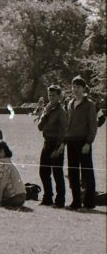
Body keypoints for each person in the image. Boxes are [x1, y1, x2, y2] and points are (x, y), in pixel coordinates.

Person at [63, 77, 98, 210]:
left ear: (84, 88)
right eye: (73, 87)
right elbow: (68, 124)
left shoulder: (89, 104)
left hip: (83, 142)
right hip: (71, 141)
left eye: (78, 87)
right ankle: (76, 202)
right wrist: (64, 140)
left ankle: (89, 202)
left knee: (87, 172)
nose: (75, 89)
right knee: (73, 172)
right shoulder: (70, 103)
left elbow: (93, 126)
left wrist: (88, 142)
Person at [36, 85, 68, 208]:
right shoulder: (47, 108)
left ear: (59, 97)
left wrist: (57, 149)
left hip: (56, 144)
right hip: (47, 142)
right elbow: (40, 127)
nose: (51, 98)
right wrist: (45, 114)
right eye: (49, 95)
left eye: (53, 95)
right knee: (43, 172)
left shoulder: (61, 112)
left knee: (57, 173)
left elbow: (63, 131)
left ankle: (60, 201)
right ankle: (47, 198)